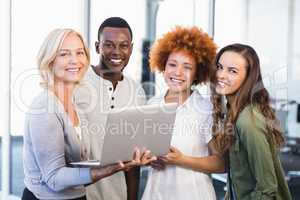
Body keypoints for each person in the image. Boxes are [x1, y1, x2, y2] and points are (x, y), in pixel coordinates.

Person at [22, 28, 144, 200]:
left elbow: (77, 166)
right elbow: (54, 179)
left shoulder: (75, 105)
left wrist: (123, 161)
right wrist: (106, 170)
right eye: (64, 54)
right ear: (50, 61)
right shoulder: (45, 107)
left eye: (80, 53)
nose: (74, 60)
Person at [141, 26, 224, 200]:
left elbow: (222, 163)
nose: (178, 72)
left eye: (187, 67)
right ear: (163, 66)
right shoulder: (151, 105)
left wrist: (181, 159)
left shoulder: (207, 109)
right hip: (154, 194)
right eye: (172, 64)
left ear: (197, 73)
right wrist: (148, 159)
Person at [74, 17, 148, 200]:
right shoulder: (76, 83)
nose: (116, 52)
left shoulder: (137, 91)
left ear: (130, 48)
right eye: (109, 45)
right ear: (98, 47)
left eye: (123, 45)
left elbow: (133, 158)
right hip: (77, 194)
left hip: (117, 194)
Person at [210, 43, 292, 200]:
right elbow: (238, 179)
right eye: (219, 67)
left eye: (232, 71)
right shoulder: (233, 112)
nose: (220, 75)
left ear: (248, 78)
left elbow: (267, 188)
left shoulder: (248, 121)